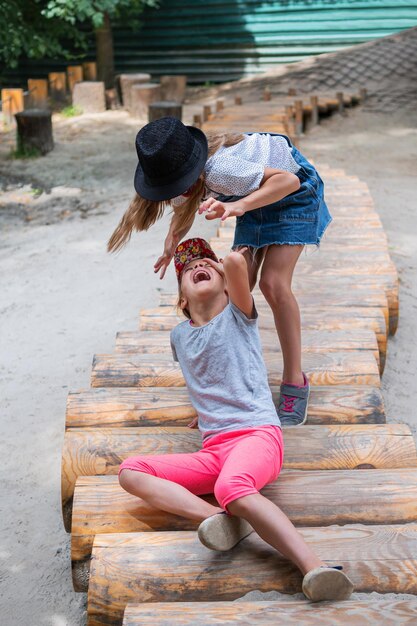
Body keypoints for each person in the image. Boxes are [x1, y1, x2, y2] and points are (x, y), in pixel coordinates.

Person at [118, 238, 353, 602]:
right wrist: (204, 410)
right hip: (214, 449)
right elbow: (201, 377)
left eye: (208, 264)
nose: (199, 265)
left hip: (257, 435)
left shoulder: (238, 314)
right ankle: (219, 518)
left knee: (233, 487)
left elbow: (236, 263)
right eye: (188, 268)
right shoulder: (179, 336)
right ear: (181, 300)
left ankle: (314, 567)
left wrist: (229, 224)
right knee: (131, 471)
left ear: (227, 284)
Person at [108, 117, 332, 425]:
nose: (175, 193)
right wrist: (170, 246)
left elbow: (288, 182)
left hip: (293, 193)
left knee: (273, 284)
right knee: (230, 289)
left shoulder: (221, 172)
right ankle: (223, 392)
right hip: (254, 197)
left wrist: (238, 207)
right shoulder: (187, 173)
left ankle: (294, 380)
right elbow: (184, 210)